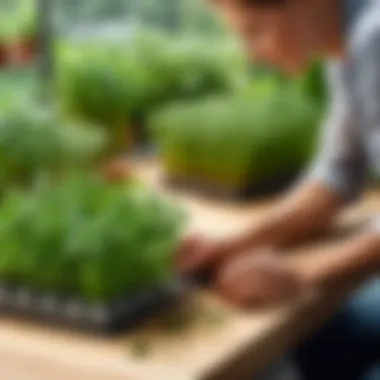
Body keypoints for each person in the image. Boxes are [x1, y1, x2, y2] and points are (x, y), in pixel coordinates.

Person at [177, 0, 380, 379]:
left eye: (254, 32)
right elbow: (338, 173)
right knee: (324, 339)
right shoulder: (346, 48)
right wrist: (234, 245)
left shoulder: (376, 37)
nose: (252, 56)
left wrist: (300, 272)